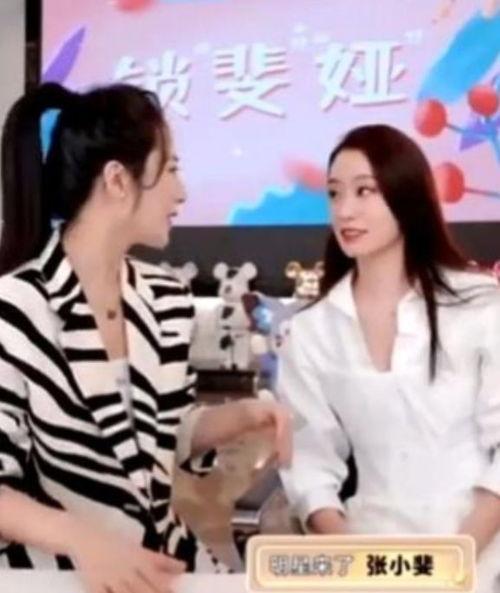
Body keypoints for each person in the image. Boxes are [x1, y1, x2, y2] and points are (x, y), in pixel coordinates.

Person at [0, 82, 292, 593]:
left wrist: (246, 415)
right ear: (118, 180)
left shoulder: (166, 299)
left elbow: (163, 435)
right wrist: (83, 541)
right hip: (55, 576)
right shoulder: (16, 307)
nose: (182, 192)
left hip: (160, 564)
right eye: (171, 169)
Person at [277, 124, 500, 592]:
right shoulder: (312, 330)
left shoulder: (479, 304)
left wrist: (453, 563)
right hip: (371, 555)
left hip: (481, 553)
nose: (345, 210)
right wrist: (352, 558)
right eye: (334, 193)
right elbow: (309, 464)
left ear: (406, 195)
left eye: (365, 191)